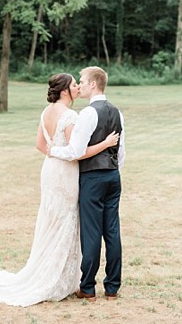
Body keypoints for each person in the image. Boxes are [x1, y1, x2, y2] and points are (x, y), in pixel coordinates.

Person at [0, 73, 119, 307]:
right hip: (66, 171)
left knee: (52, 218)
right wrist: (104, 144)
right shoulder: (71, 115)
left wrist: (53, 153)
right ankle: (57, 277)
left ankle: (52, 270)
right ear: (65, 91)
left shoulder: (46, 112)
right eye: (74, 85)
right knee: (66, 220)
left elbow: (40, 145)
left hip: (50, 169)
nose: (77, 88)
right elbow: (77, 152)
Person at [49, 66, 125, 302]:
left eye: (82, 81)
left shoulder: (88, 114)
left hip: (93, 178)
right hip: (114, 176)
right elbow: (121, 152)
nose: (79, 84)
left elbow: (76, 151)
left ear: (93, 84)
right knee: (112, 232)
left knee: (91, 233)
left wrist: (53, 151)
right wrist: (113, 170)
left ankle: (88, 288)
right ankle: (112, 288)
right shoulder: (118, 112)